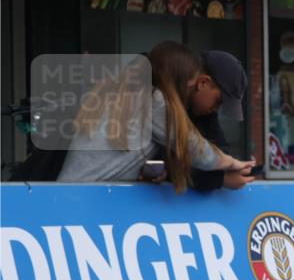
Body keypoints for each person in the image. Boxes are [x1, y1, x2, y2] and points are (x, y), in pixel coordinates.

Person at [58, 41, 254, 192]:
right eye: (191, 80)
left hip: (68, 196)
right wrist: (233, 163)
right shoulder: (154, 101)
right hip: (81, 200)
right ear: (180, 78)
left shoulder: (129, 96)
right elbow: (197, 150)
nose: (191, 86)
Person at [183, 50, 255, 191]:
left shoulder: (205, 113)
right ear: (203, 83)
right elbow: (172, 166)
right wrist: (221, 180)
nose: (216, 109)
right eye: (218, 101)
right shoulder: (165, 107)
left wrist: (233, 167)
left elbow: (221, 150)